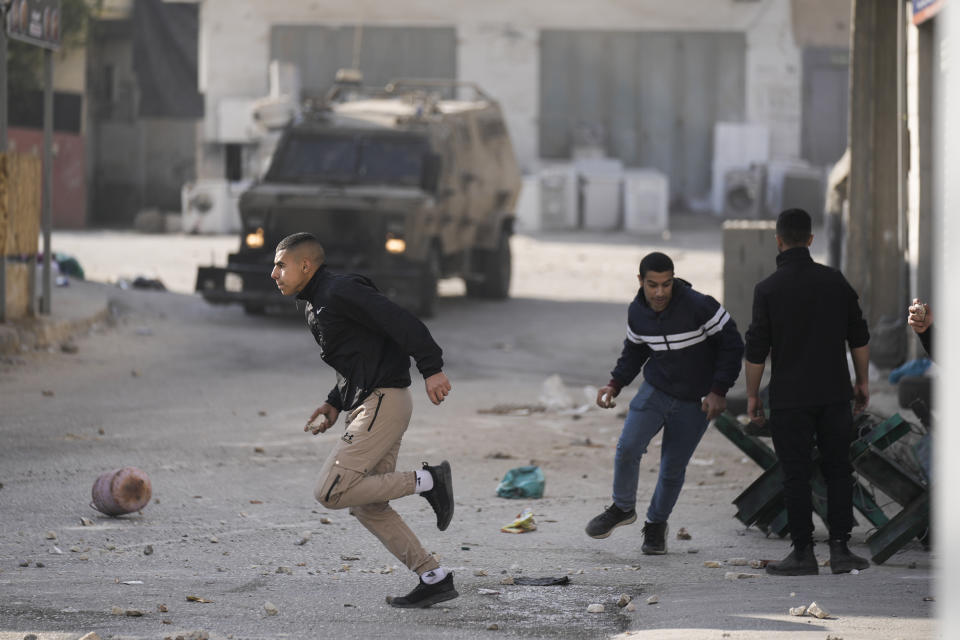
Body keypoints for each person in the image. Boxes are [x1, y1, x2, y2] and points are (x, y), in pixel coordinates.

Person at [270, 232, 457, 608]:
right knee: (367, 504)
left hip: (382, 402)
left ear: (306, 265)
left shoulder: (340, 290)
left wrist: (431, 367)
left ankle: (428, 480)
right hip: (367, 403)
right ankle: (432, 576)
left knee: (331, 491)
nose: (273, 273)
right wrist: (333, 403)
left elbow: (399, 321)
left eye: (280, 264)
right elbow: (356, 359)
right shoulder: (312, 305)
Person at [586, 252, 744, 554]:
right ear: (640, 281)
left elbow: (732, 344)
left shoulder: (700, 306)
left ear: (673, 280)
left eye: (666, 284)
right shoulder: (637, 312)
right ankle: (622, 508)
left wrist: (718, 391)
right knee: (628, 447)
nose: (660, 292)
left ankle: (656, 526)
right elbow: (634, 350)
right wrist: (615, 384)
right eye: (653, 284)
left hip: (696, 400)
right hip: (656, 390)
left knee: (672, 468)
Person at [744, 208, 870, 576]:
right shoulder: (835, 281)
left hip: (790, 399)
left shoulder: (767, 289)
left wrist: (753, 395)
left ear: (779, 241)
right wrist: (861, 382)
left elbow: (756, 350)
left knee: (795, 474)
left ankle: (802, 554)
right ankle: (841, 551)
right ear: (811, 240)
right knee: (838, 470)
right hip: (833, 394)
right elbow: (858, 336)